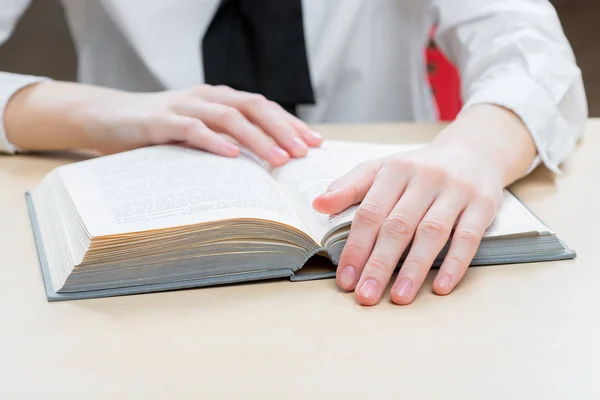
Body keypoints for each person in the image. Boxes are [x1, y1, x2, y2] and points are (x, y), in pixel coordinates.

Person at [0, 0, 587, 306]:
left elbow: (528, 46)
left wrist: (477, 147)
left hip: (379, 245)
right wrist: (97, 111)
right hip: (145, 234)